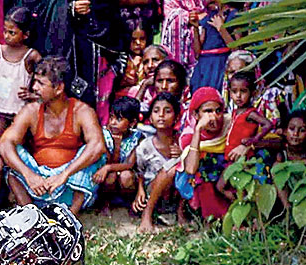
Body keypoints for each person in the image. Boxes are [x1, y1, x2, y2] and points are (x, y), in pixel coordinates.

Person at [0, 56, 106, 215]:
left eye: (41, 83)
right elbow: (4, 143)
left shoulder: (82, 111)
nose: (34, 87)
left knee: (93, 152)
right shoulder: (31, 110)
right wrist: (30, 175)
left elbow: (98, 146)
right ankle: (30, 213)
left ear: (58, 88)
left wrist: (64, 174)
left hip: (70, 185)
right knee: (11, 153)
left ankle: (70, 216)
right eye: (35, 81)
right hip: (38, 184)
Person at [62, 0, 120, 110]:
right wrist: (71, 8)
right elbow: (54, 13)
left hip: (101, 53)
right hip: (71, 51)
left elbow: (114, 17)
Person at [176, 87, 232, 220]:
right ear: (196, 115)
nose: (214, 117)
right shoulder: (189, 136)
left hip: (225, 176)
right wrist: (198, 130)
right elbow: (190, 168)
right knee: (202, 165)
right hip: (204, 176)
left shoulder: (229, 124)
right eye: (208, 111)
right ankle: (212, 216)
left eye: (218, 111)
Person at [0, 6, 38, 135]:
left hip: (20, 109)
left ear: (25, 35)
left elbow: (45, 78)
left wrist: (32, 94)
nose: (6, 36)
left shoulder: (31, 55)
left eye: (12, 33)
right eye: (4, 31)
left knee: (18, 139)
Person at [135, 92, 183, 232]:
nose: (161, 115)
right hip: (152, 192)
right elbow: (139, 171)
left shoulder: (182, 141)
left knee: (182, 167)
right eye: (156, 111)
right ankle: (147, 214)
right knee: (171, 169)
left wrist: (183, 154)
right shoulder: (145, 145)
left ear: (176, 117)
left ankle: (180, 213)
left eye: (167, 111)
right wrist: (140, 189)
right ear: (150, 117)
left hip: (175, 194)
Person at [190, 0, 240, 91]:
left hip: (220, 67)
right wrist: (195, 28)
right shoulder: (210, 17)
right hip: (204, 69)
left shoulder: (235, 16)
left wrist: (221, 29)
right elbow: (197, 52)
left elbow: (237, 49)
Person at [94, 96, 143, 211]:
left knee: (126, 176)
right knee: (110, 176)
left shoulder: (138, 138)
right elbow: (106, 160)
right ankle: (106, 202)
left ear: (132, 123)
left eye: (119, 119)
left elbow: (130, 164)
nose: (113, 123)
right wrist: (116, 147)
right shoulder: (104, 135)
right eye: (111, 118)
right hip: (109, 173)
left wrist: (108, 167)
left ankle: (128, 203)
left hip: (126, 174)